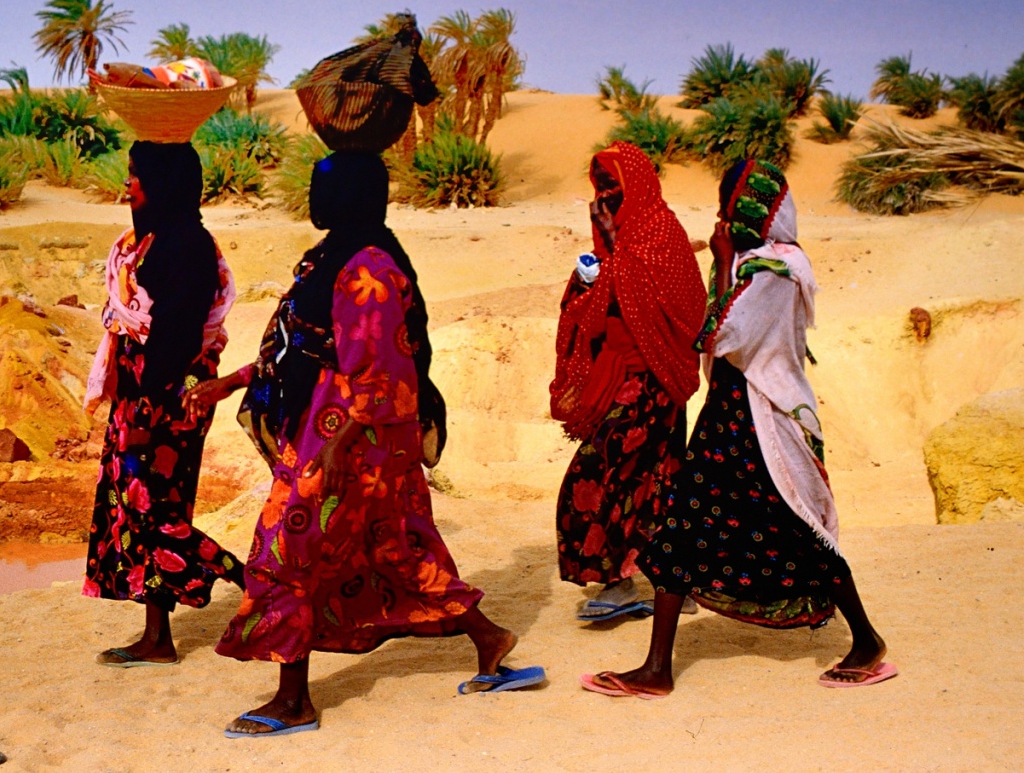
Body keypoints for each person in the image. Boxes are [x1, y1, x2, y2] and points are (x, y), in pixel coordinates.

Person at [185, 151, 544, 738]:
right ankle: (492, 640)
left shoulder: (369, 269)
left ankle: (294, 701)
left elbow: (384, 369)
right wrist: (231, 382)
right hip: (341, 430)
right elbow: (299, 346)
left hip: (354, 435)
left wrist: (339, 442)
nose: (311, 197)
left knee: (286, 549)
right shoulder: (330, 259)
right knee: (397, 548)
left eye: (322, 186)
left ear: (351, 196)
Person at [581, 159, 894, 698]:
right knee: (680, 528)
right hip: (728, 416)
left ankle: (867, 641)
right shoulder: (755, 264)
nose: (727, 213)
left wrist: (723, 263)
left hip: (762, 421)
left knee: (799, 527)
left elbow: (722, 335)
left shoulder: (774, 270)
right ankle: (657, 668)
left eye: (733, 201)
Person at [81, 141, 244, 667]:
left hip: (169, 393)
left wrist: (149, 408)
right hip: (141, 388)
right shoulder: (146, 241)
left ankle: (247, 577)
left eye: (138, 176)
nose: (128, 185)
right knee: (138, 507)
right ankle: (158, 638)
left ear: (165, 184)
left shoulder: (187, 246)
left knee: (157, 511)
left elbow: (175, 336)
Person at [551, 142, 706, 621]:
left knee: (608, 477)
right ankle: (667, 583)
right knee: (647, 480)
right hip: (619, 376)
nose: (606, 195)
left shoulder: (660, 234)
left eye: (614, 184)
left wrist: (614, 257)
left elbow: (688, 311)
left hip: (653, 380)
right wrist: (590, 274)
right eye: (600, 186)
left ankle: (626, 583)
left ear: (637, 184)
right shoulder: (614, 243)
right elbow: (589, 313)